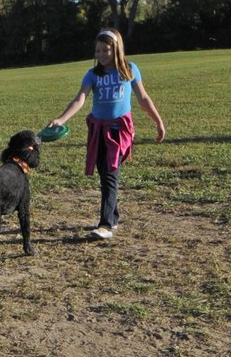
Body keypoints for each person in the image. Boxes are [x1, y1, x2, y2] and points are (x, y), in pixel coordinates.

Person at [48, 27, 166, 239]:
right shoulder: (93, 74)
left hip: (120, 129)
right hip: (98, 129)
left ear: (117, 49)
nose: (101, 55)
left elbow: (143, 98)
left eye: (106, 50)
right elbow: (80, 99)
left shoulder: (129, 69)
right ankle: (114, 216)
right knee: (105, 173)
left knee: (110, 172)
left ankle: (105, 225)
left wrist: (158, 121)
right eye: (98, 51)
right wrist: (61, 119)